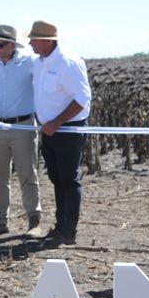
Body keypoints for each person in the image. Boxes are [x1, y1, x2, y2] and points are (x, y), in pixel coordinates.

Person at [28, 20, 91, 247]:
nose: (30, 43)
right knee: (56, 178)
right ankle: (60, 226)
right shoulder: (39, 63)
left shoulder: (68, 62)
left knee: (68, 179)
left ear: (47, 41)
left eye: (33, 39)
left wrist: (57, 121)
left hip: (68, 130)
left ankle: (69, 231)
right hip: (49, 130)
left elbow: (82, 100)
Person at [0, 24, 42, 236]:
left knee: (27, 173)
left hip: (22, 125)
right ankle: (0, 222)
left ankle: (34, 220)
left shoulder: (30, 63)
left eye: (0, 44)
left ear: (12, 45)